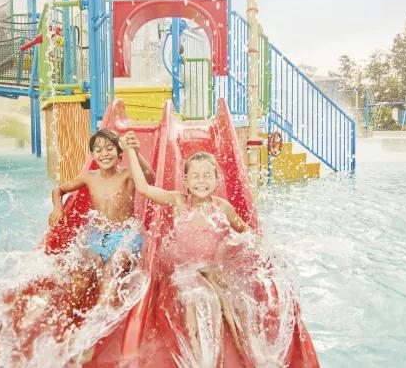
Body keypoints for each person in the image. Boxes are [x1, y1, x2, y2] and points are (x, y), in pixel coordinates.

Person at [0, 129, 155, 367]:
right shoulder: (89, 177)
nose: (104, 153)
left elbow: (149, 177)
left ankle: (90, 338)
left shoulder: (128, 174)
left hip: (124, 235)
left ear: (119, 154)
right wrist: (58, 208)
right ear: (92, 154)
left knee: (110, 273)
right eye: (98, 150)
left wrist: (136, 153)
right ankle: (60, 323)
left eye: (110, 149)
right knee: (78, 274)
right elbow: (59, 189)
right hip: (98, 237)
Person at [123, 141, 306, 367]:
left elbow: (245, 231)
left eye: (208, 175)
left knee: (237, 303)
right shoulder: (178, 201)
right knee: (196, 300)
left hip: (213, 268)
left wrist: (263, 249)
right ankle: (200, 357)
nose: (202, 181)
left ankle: (254, 353)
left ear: (217, 179)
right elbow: (144, 189)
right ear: (186, 181)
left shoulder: (222, 207)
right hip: (185, 270)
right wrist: (131, 151)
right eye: (196, 176)